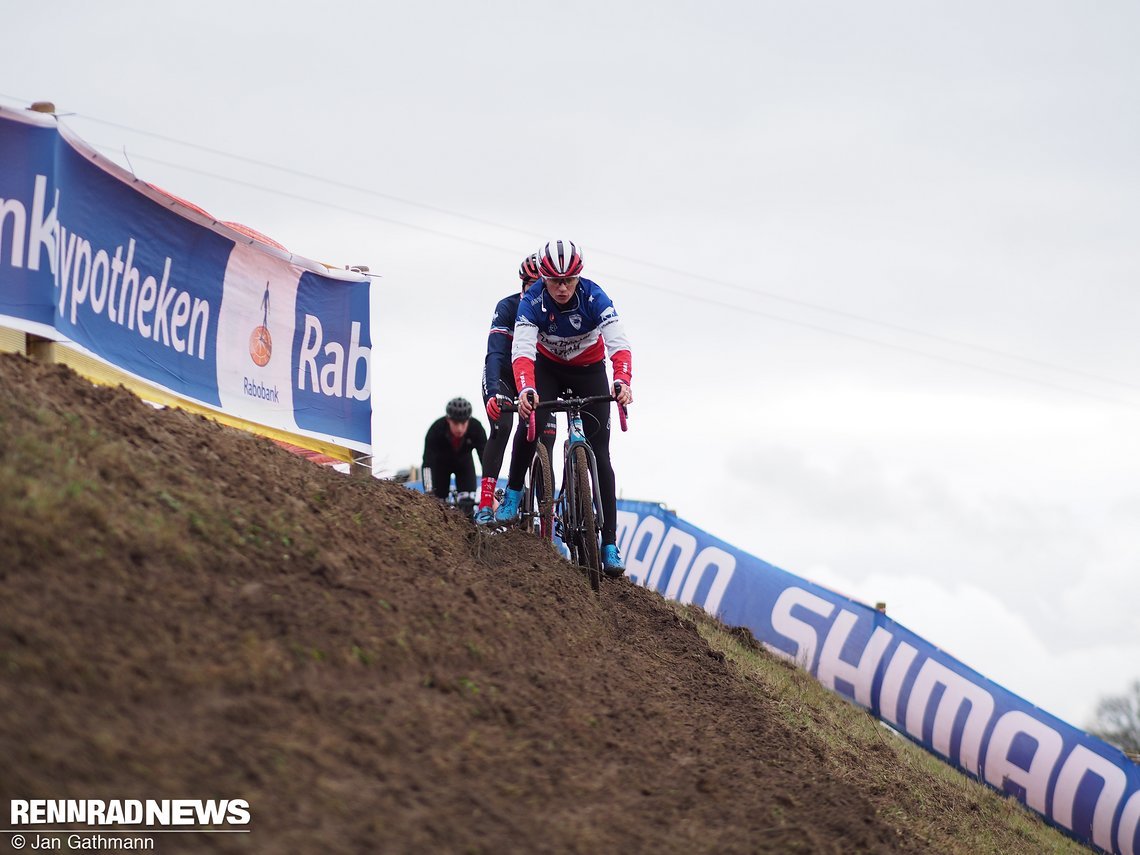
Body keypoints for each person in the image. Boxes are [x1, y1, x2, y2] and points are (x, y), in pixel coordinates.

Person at [494, 239, 634, 576]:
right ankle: (513, 492)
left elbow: (619, 343)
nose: (562, 287)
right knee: (533, 420)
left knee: (601, 454)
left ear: (578, 277)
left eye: (568, 280)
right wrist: (526, 388)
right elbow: (522, 351)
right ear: (543, 278)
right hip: (549, 369)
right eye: (555, 281)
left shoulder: (594, 296)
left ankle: (610, 543)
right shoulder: (532, 302)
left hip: (589, 370)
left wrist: (622, 381)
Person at [474, 253, 557, 526]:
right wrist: (492, 394)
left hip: (536, 381)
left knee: (546, 438)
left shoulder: (550, 310)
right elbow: (495, 354)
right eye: (531, 284)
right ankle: (486, 503)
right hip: (506, 378)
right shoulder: (508, 307)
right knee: (503, 426)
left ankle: (545, 521)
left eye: (540, 284)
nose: (535, 290)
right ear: (522, 283)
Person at [422, 397, 487, 518]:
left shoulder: (476, 428)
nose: (459, 428)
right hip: (441, 468)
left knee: (467, 508)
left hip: (465, 466)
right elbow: (427, 463)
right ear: (448, 420)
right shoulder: (436, 429)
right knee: (438, 506)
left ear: (469, 420)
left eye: (463, 423)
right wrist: (429, 490)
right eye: (456, 423)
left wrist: (490, 488)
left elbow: (485, 459)